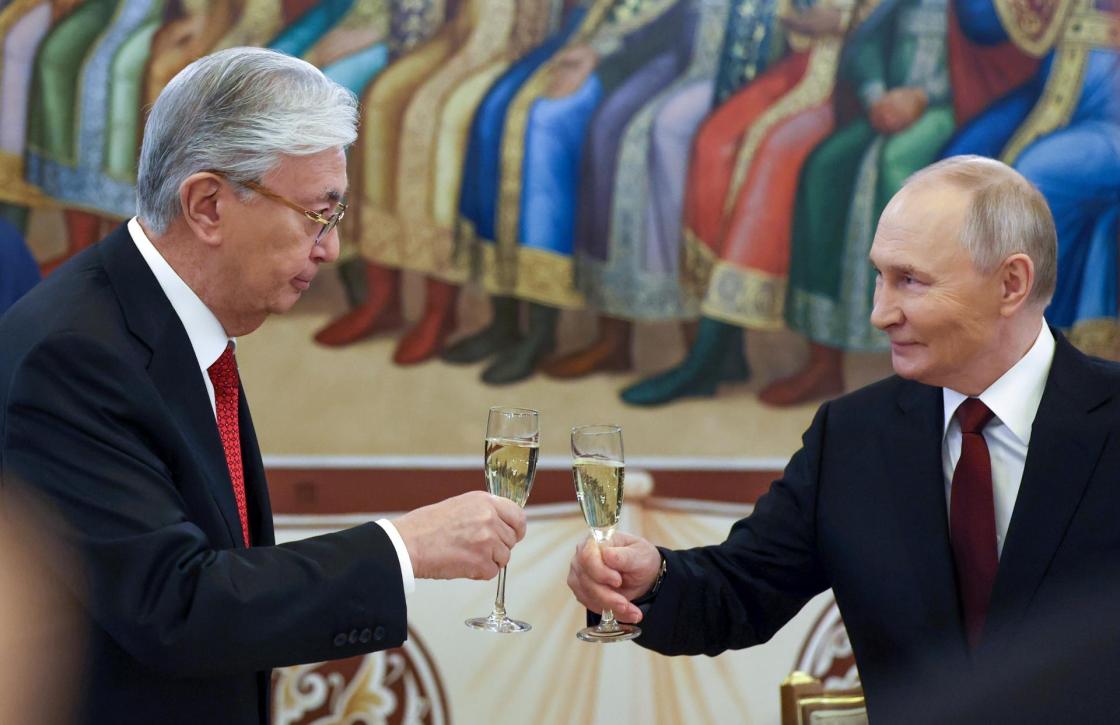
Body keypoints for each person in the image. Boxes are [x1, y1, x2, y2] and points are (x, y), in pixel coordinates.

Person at [0, 47, 526, 725]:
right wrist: (405, 546)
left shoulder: (168, 323)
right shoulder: (74, 354)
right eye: (317, 213)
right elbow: (177, 604)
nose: (331, 248)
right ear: (209, 205)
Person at [567, 155, 1120, 722]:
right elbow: (738, 588)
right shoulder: (852, 437)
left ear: (1011, 283)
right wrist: (648, 578)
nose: (880, 313)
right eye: (879, 277)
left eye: (910, 280)